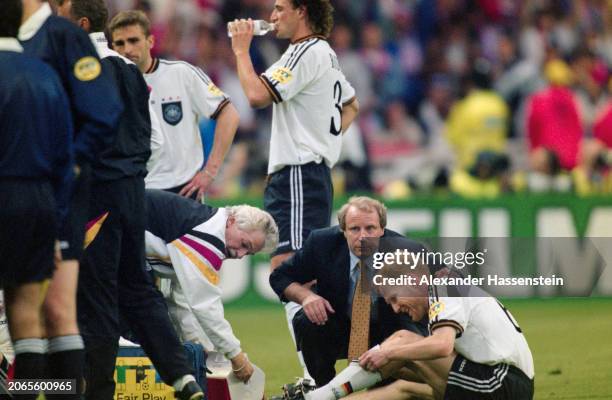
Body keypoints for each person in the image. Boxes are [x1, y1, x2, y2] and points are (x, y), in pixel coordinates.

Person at [53, 1, 205, 399]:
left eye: (62, 12)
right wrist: (129, 174)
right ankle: (182, 377)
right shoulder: (129, 70)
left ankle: (94, 391)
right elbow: (154, 140)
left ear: (81, 24)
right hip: (132, 190)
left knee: (97, 297)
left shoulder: (73, 66)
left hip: (93, 195)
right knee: (136, 287)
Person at [229, 0, 360, 377]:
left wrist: (241, 50)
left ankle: (316, 377)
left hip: (300, 175)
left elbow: (256, 96)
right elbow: (351, 105)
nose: (272, 16)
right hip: (302, 174)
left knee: (292, 273)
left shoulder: (305, 51)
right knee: (293, 272)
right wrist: (326, 138)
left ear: (302, 11)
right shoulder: (325, 54)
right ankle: (319, 373)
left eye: (280, 7)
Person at [18, 0, 122, 392]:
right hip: (15, 185)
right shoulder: (16, 39)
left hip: (54, 191)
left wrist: (71, 164)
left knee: (56, 307)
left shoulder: (64, 37)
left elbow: (104, 111)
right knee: (22, 311)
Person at [293, 256, 535, 400]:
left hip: (502, 383)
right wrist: (391, 358)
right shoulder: (446, 287)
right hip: (504, 383)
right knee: (403, 384)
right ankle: (320, 397)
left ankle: (318, 397)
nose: (396, 308)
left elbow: (442, 346)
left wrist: (387, 353)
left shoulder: (444, 284)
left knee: (405, 341)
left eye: (395, 298)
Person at [269, 197, 427, 389]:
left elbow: (443, 284)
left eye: (370, 228)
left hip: (390, 331)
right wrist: (307, 296)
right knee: (306, 320)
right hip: (338, 326)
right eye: (354, 229)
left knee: (388, 386)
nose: (363, 236)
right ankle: (323, 388)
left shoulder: (406, 250)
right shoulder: (321, 243)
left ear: (382, 230)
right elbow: (279, 277)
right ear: (343, 230)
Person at [0, 0, 73, 394]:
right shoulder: (47, 76)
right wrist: (58, 224)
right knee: (27, 316)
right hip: (40, 201)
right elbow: (66, 158)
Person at [144, 189, 279, 383]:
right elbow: (205, 305)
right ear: (232, 221)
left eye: (248, 253)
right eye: (244, 244)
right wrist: (236, 355)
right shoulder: (210, 236)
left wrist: (201, 349)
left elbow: (180, 298)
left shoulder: (205, 222)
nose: (240, 255)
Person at [108, 10, 240, 201]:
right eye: (120, 43)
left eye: (134, 40)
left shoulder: (181, 73)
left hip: (184, 191)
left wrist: (210, 172)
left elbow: (229, 113)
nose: (127, 49)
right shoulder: (110, 86)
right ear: (112, 47)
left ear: (150, 41)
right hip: (137, 192)